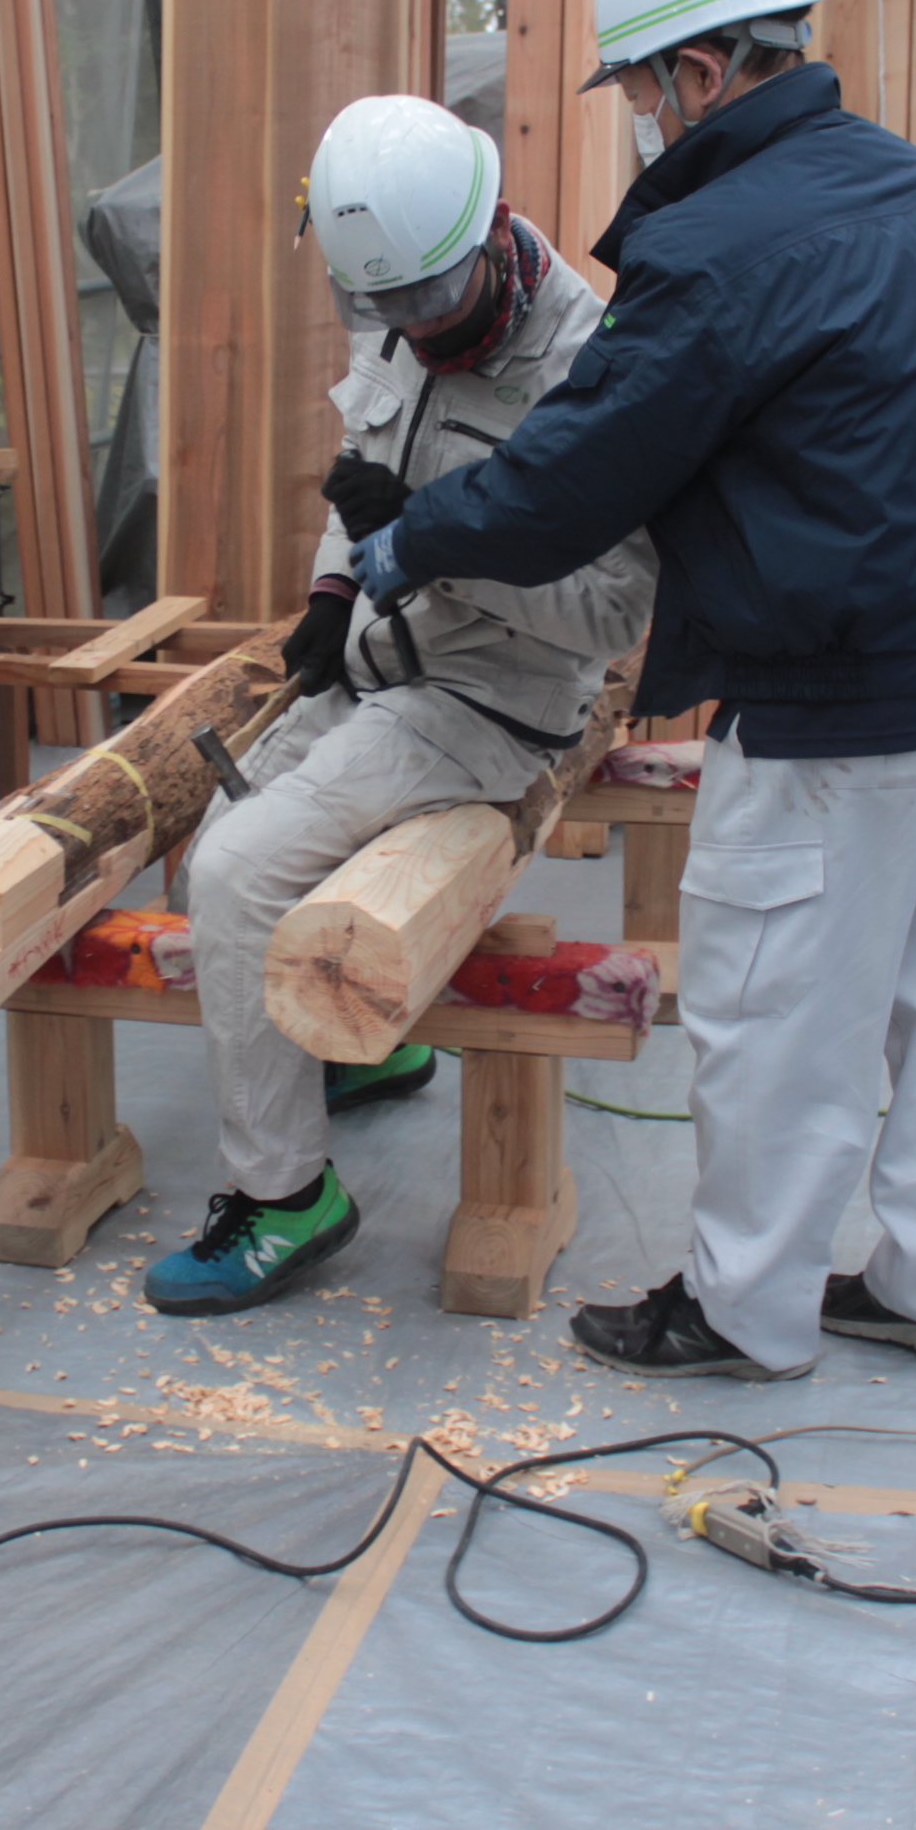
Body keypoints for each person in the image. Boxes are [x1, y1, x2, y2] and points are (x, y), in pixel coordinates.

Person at [352, 0, 916, 1381]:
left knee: (775, 1018)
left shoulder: (724, 245)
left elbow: (574, 480)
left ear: (711, 68)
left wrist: (414, 537)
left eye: (648, 91)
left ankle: (746, 1310)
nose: (645, 124)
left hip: (829, 700)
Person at [142, 95, 657, 1319]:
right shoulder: (399, 292)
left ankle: (284, 1198)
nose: (409, 334)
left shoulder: (593, 371)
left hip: (493, 702)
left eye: (426, 305)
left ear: (487, 236)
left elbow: (613, 617)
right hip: (382, 658)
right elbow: (364, 474)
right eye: (382, 311)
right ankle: (373, 1049)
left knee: (236, 874)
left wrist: (430, 549)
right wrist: (334, 589)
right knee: (211, 853)